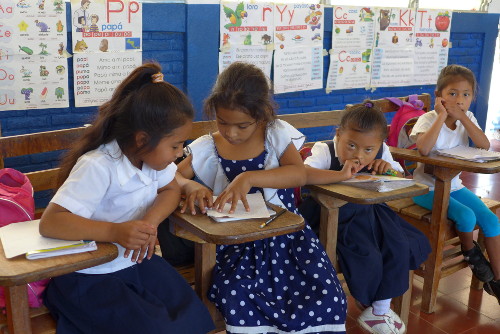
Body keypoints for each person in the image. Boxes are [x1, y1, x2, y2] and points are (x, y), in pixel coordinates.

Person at [39, 63, 215, 334]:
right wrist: (114, 231)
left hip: (134, 262)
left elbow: (170, 190)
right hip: (89, 275)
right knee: (156, 329)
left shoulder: (151, 161)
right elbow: (51, 222)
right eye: (175, 145)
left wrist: (149, 223)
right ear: (143, 139)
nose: (179, 153)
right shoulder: (99, 166)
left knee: (193, 316)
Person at [175, 62, 347, 334]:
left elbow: (298, 174)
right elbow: (171, 176)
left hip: (288, 240)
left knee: (326, 292)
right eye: (222, 122)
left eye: (242, 125)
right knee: (235, 293)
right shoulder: (208, 146)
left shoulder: (275, 135)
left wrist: (249, 177)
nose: (231, 133)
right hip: (236, 245)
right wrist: (188, 186)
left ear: (262, 115)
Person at [301, 101, 431, 334]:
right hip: (330, 216)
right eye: (351, 145)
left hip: (370, 212)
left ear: (379, 145)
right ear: (338, 134)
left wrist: (386, 167)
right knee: (367, 253)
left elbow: (400, 175)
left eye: (369, 150)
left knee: (402, 243)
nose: (359, 155)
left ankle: (379, 309)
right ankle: (371, 302)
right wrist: (339, 174)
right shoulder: (324, 149)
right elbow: (305, 175)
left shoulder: (381, 151)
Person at [410, 64, 500, 303]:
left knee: (491, 220)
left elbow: (484, 145)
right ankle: (472, 255)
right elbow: (424, 148)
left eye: (466, 94)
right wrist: (441, 115)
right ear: (439, 95)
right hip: (425, 189)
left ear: (472, 98)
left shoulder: (467, 117)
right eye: (452, 93)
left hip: (455, 186)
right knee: (467, 217)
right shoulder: (427, 119)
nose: (459, 99)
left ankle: (498, 281)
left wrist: (463, 118)